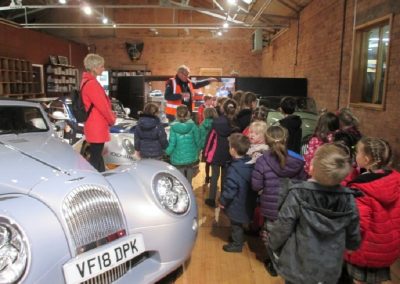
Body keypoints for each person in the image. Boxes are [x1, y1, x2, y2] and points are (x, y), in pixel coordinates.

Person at [268, 143, 361, 284]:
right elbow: (353, 227)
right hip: (330, 264)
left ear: (312, 168)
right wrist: (352, 246)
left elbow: (283, 225)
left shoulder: (298, 193)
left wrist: (273, 244)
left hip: (298, 262)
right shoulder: (348, 197)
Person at [251, 125, 307, 277]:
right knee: (288, 233)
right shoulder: (298, 160)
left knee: (271, 234)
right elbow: (303, 183)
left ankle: (274, 264)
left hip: (271, 206)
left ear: (267, 141)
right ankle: (287, 260)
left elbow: (256, 185)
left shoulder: (262, 161)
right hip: (292, 206)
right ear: (286, 139)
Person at [344, 137, 400, 284]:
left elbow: (358, 224)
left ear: (367, 159)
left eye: (357, 152)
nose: (355, 156)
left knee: (358, 279)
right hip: (388, 244)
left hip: (366, 248)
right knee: (383, 277)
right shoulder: (395, 179)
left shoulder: (361, 188)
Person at [219, 133, 253, 253]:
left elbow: (230, 189)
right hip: (246, 200)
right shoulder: (250, 163)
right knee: (239, 223)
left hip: (236, 203)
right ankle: (238, 238)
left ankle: (237, 244)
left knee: (236, 225)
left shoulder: (234, 169)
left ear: (233, 150)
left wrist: (223, 201)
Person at [81, 53, 116, 172]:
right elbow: (103, 107)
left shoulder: (86, 82)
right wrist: (112, 119)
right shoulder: (92, 84)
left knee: (97, 155)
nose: (103, 68)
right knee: (95, 157)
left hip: (93, 124)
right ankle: (96, 181)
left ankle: (101, 177)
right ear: (94, 68)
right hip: (97, 125)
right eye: (101, 66)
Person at [203, 98, 239, 208]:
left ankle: (211, 199)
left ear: (223, 109)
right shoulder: (235, 124)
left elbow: (210, 138)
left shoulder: (216, 122)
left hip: (216, 153)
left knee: (214, 176)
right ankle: (223, 200)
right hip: (229, 154)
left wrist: (205, 152)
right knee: (225, 177)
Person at [165, 105, 200, 185]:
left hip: (178, 158)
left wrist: (167, 153)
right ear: (188, 113)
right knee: (189, 182)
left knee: (180, 182)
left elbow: (172, 144)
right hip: (191, 157)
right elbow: (198, 142)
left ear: (176, 114)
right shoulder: (193, 126)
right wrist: (197, 153)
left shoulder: (173, 127)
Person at [199, 107, 218, 184]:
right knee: (214, 164)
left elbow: (200, 137)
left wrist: (200, 148)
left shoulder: (202, 125)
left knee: (207, 163)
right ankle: (214, 179)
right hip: (214, 147)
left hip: (205, 147)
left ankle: (207, 176)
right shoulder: (217, 124)